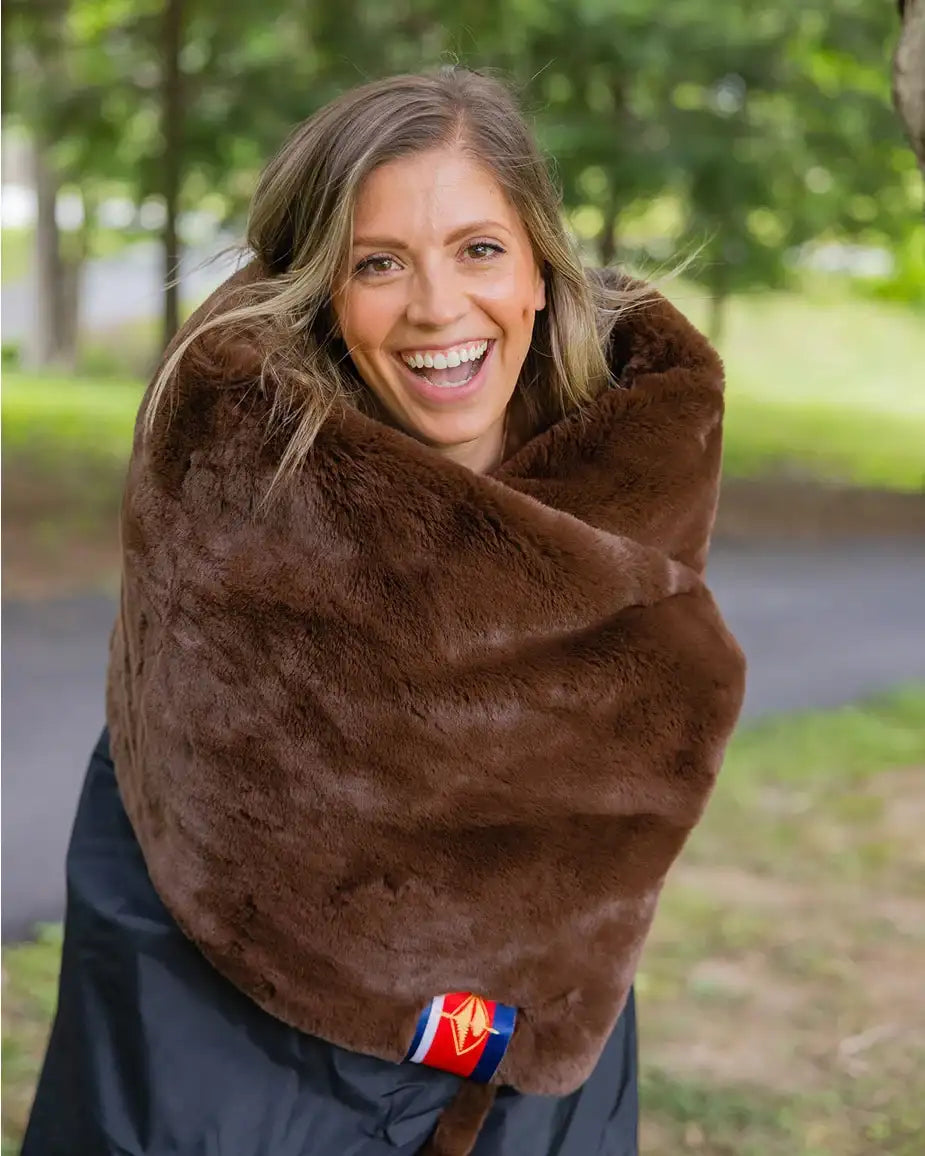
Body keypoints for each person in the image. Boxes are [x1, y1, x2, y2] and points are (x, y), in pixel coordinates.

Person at [23, 68, 746, 1156]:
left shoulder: (636, 487)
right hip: (232, 1042)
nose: (436, 308)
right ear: (325, 295)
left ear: (542, 272)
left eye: (478, 249)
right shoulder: (235, 508)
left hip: (531, 1065)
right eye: (379, 264)